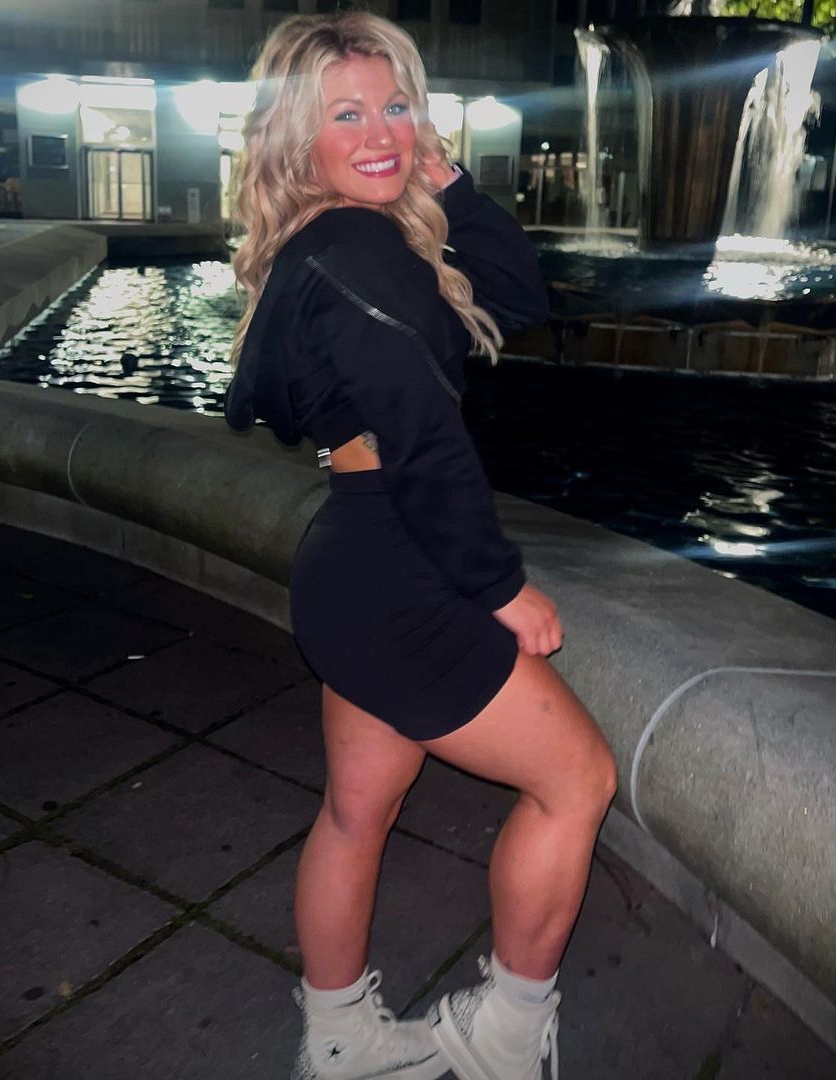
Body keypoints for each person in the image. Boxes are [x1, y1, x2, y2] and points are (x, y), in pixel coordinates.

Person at [224, 13, 617, 1080]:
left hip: (356, 557)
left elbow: (518, 298)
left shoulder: (333, 240)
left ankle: (339, 1035)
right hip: (402, 568)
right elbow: (423, 436)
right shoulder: (356, 248)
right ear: (295, 134)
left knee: (358, 812)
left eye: (395, 105)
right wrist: (498, 586)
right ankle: (506, 1035)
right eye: (346, 113)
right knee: (577, 780)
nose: (381, 132)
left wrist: (451, 189)